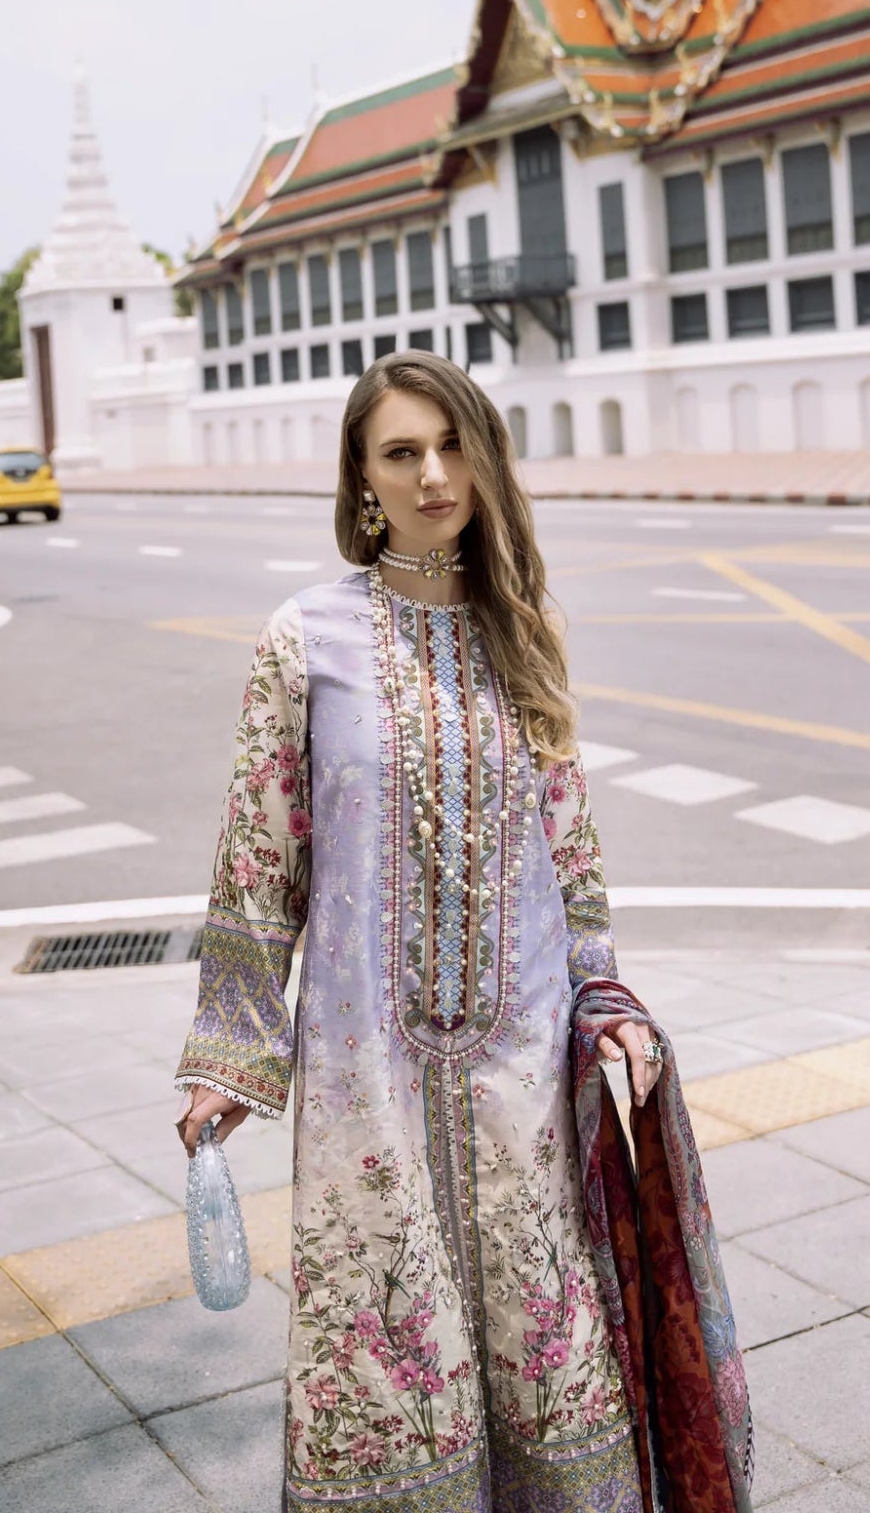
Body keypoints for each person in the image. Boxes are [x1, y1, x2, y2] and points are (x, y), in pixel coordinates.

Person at [175, 351, 747, 1512]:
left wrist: (609, 1005)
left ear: (484, 459)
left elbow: (572, 856)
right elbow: (258, 854)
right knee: (395, 1359)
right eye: (401, 451)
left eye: (453, 445)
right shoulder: (305, 640)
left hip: (524, 1077)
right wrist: (233, 1045)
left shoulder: (519, 634)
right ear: (361, 477)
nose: (434, 475)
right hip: (365, 1082)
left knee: (550, 1355)